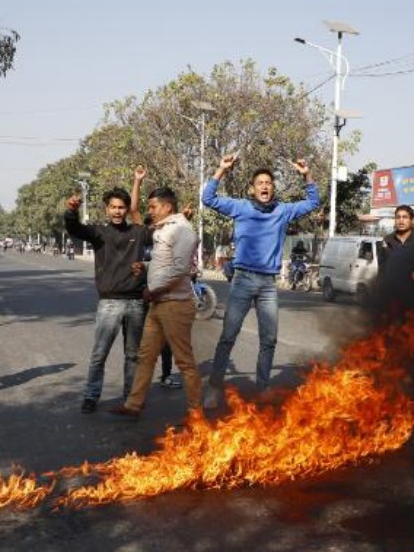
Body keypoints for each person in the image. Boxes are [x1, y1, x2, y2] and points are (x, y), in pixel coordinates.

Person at [201, 155, 318, 408]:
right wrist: (221, 169)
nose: (265, 186)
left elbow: (313, 201)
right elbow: (208, 198)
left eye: (268, 183)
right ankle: (214, 387)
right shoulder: (240, 207)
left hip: (268, 284)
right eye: (260, 183)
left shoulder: (283, 211)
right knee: (228, 336)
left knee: (269, 339)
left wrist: (306, 175)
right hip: (242, 280)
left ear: (272, 188)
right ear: (252, 188)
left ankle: (263, 387)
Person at [64, 166, 151, 412]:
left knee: (133, 355)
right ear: (106, 209)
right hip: (109, 303)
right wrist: (71, 210)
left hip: (136, 304)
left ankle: (131, 399)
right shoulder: (98, 232)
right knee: (99, 353)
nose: (117, 211)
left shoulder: (138, 232)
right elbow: (74, 229)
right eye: (113, 207)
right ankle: (91, 396)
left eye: (121, 207)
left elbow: (162, 242)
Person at [110, 187, 201, 418]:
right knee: (146, 356)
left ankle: (195, 414)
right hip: (158, 304)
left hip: (175, 305)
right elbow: (164, 264)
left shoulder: (182, 230)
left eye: (153, 207)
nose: (150, 211)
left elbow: (180, 269)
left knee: (185, 362)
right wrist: (146, 266)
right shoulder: (164, 229)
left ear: (167, 207)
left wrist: (152, 288)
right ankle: (134, 404)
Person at [376, 204, 414, 314]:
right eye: (398, 217)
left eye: (405, 217)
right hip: (392, 296)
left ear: (412, 220)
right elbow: (381, 267)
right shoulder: (387, 240)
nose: (401, 221)